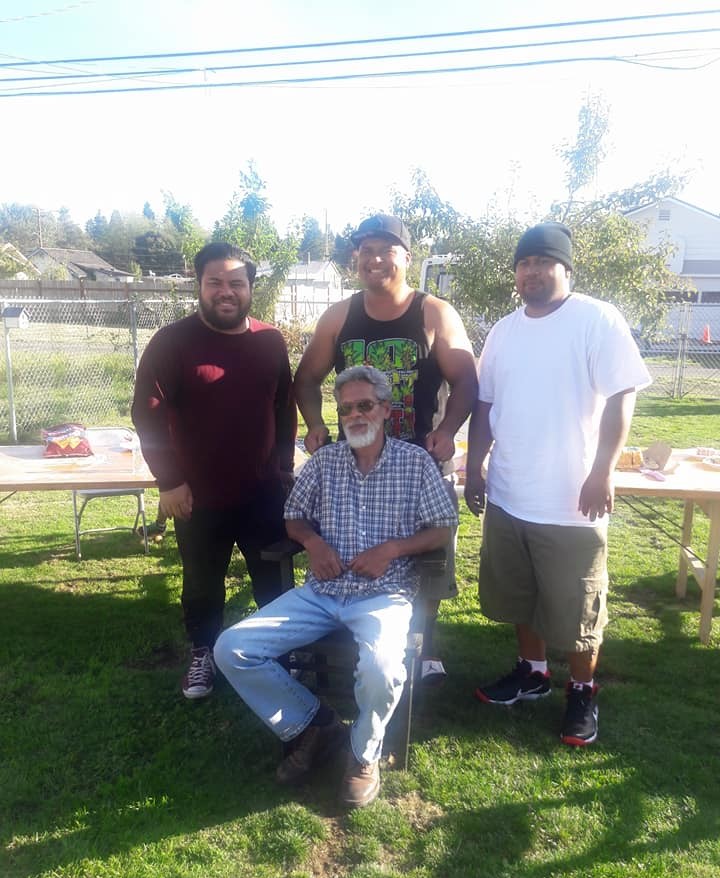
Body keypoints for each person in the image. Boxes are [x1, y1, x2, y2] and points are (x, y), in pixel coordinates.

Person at [213, 366, 457, 807]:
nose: (355, 415)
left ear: (385, 410)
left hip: (384, 594)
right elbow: (293, 516)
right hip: (322, 593)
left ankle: (363, 753)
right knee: (231, 648)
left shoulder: (415, 463)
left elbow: (443, 526)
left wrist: (393, 549)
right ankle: (313, 724)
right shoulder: (324, 462)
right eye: (346, 409)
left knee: (383, 666)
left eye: (365, 405)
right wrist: (313, 542)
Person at [464, 222, 651, 746]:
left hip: (573, 502)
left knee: (578, 608)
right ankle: (534, 672)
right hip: (509, 494)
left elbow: (621, 396)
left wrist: (603, 470)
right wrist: (477, 465)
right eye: (524, 263)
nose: (531, 272)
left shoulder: (596, 319)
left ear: (566, 269)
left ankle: (583, 689)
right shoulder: (504, 330)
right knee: (521, 598)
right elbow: (485, 406)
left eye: (543, 262)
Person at [294, 214, 477, 683]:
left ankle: (425, 647)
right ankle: (362, 632)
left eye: (386, 249)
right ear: (357, 258)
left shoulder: (434, 312)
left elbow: (466, 379)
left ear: (406, 258)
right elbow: (307, 378)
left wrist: (450, 430)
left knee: (431, 556)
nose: (375, 258)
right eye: (366, 250)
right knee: (355, 548)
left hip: (419, 458)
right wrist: (315, 423)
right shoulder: (340, 315)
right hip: (354, 462)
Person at [132, 241, 296, 700]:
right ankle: (203, 652)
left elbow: (284, 406)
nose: (226, 291)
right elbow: (146, 413)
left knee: (274, 580)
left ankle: (281, 652)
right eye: (216, 282)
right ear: (200, 285)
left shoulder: (270, 341)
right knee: (202, 581)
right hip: (196, 496)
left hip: (263, 492)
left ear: (250, 288)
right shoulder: (173, 342)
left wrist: (283, 466)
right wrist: (169, 481)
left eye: (236, 283)